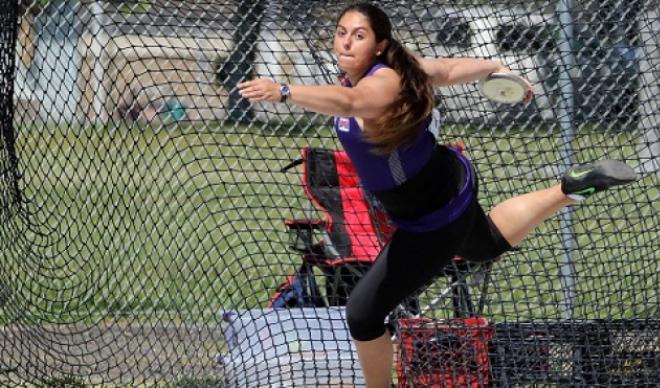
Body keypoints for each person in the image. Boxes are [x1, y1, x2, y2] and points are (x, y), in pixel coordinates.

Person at [238, 3, 637, 387]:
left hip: (430, 213)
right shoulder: (401, 68)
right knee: (482, 242)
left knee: (362, 314)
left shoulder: (383, 82)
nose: (345, 43)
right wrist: (494, 67)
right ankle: (571, 187)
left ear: (379, 44)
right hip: (445, 182)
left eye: (358, 36)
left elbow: (352, 103)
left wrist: (285, 91)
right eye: (341, 33)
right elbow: (445, 69)